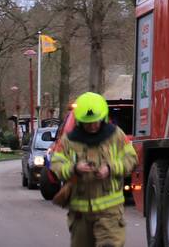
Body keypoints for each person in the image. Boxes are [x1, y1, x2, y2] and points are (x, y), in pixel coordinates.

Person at [51, 92, 138, 247]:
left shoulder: (116, 136)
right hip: (80, 215)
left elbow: (131, 159)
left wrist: (110, 168)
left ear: (103, 118)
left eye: (95, 122)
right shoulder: (68, 141)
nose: (92, 126)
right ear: (79, 121)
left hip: (109, 213)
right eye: (87, 123)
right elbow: (56, 164)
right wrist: (74, 168)